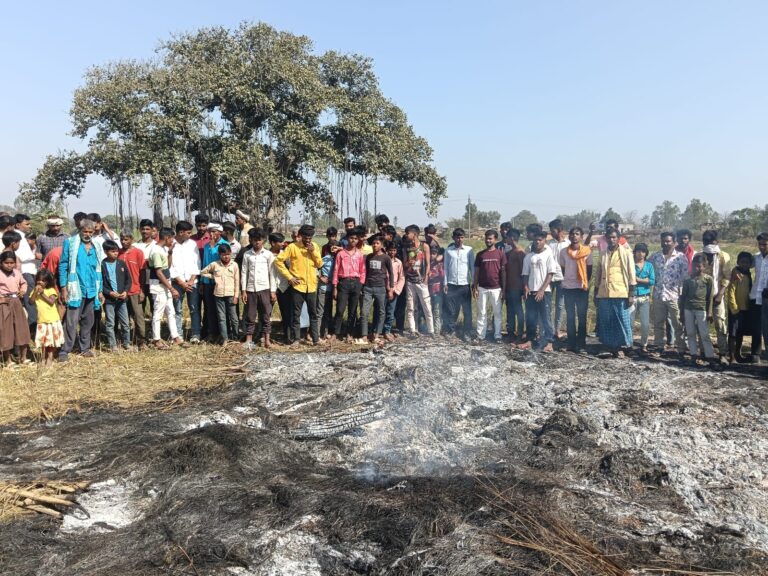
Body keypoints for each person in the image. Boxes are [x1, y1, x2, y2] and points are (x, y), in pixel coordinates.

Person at [58, 220, 104, 361]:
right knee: (71, 322)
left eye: (90, 232)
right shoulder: (70, 243)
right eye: (85, 231)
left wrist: (100, 290)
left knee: (88, 321)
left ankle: (85, 348)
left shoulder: (97, 245)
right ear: (80, 230)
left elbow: (99, 268)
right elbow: (63, 265)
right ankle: (64, 350)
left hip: (92, 289)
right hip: (75, 288)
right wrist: (64, 288)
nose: (87, 234)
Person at [274, 224, 323, 345]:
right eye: (306, 238)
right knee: (296, 314)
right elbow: (278, 261)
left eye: (310, 238)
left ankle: (315, 339)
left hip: (311, 286)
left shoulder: (315, 246)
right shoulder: (292, 247)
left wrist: (313, 252)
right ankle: (296, 339)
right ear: (300, 236)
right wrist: (290, 277)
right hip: (298, 286)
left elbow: (319, 264)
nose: (308, 240)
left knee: (313, 314)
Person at [593, 229, 637, 357]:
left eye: (614, 237)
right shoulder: (603, 254)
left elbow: (631, 273)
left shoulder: (626, 253)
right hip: (604, 292)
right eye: (609, 238)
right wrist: (596, 292)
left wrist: (631, 294)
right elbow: (598, 273)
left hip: (621, 291)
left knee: (622, 319)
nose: (611, 240)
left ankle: (625, 346)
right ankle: (609, 346)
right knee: (606, 320)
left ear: (618, 238)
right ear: (606, 239)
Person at [648, 232, 688, 355]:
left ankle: (681, 348)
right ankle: (659, 346)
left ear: (674, 242)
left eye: (668, 241)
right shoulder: (655, 257)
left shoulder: (680, 257)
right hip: (658, 295)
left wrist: (683, 296)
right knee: (658, 323)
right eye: (663, 241)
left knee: (677, 323)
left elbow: (685, 277)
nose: (665, 243)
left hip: (674, 296)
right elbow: (648, 269)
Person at [519, 231, 558, 351]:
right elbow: (525, 274)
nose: (537, 242)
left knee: (546, 317)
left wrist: (542, 290)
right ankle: (530, 340)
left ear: (544, 241)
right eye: (535, 240)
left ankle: (549, 342)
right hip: (531, 291)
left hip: (544, 292)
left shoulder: (548, 255)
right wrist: (526, 287)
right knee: (530, 317)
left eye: (540, 240)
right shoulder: (528, 257)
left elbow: (550, 274)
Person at [148, 227, 185, 349]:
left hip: (165, 284)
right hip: (158, 285)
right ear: (167, 237)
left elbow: (167, 267)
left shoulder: (163, 249)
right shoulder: (156, 251)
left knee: (171, 311)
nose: (173, 241)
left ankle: (175, 337)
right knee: (158, 313)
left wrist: (170, 252)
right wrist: (171, 288)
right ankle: (156, 339)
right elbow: (159, 273)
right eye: (172, 238)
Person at [558, 227, 593, 352]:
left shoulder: (587, 251)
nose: (574, 236)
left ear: (582, 236)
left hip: (582, 288)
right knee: (570, 316)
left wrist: (583, 282)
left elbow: (589, 271)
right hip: (568, 287)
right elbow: (562, 269)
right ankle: (571, 343)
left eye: (577, 234)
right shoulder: (563, 252)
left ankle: (581, 343)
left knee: (582, 316)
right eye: (572, 234)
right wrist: (567, 281)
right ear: (569, 236)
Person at [241, 228, 277, 349]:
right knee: (250, 316)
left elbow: (272, 273)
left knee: (266, 315)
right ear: (251, 240)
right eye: (254, 240)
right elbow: (244, 272)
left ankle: (267, 340)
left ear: (263, 240)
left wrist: (273, 291)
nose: (257, 242)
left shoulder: (268, 254)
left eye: (259, 240)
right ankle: (249, 341)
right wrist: (243, 290)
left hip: (265, 288)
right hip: (251, 289)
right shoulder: (247, 254)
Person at [700, 230, 731, 363]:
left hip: (718, 295)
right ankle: (704, 352)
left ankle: (722, 353)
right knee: (702, 324)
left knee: (720, 323)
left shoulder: (723, 256)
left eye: (710, 241)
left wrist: (720, 294)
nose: (708, 244)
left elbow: (727, 276)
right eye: (705, 241)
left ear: (716, 242)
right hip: (702, 296)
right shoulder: (700, 256)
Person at [201, 243, 240, 345]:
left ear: (230, 253)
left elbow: (237, 282)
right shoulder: (215, 264)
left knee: (234, 318)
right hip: (218, 295)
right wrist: (213, 277)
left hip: (231, 295)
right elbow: (203, 272)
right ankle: (225, 339)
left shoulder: (234, 265)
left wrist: (236, 296)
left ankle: (235, 338)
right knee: (221, 318)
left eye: (228, 254)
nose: (226, 257)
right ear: (219, 255)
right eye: (223, 255)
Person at [680, 254, 716, 363]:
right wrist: (681, 313)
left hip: (701, 309)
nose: (696, 268)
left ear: (704, 266)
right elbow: (683, 297)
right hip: (688, 309)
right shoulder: (688, 280)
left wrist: (709, 312)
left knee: (704, 334)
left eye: (699, 266)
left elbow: (710, 297)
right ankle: (693, 354)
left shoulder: (708, 279)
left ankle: (710, 356)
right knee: (690, 332)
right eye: (694, 266)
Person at [169, 220, 201, 342]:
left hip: (192, 282)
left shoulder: (192, 244)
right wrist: (181, 282)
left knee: (194, 308)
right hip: (177, 283)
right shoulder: (171, 244)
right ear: (180, 232)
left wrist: (192, 280)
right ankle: (178, 335)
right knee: (177, 309)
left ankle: (195, 334)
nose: (190, 234)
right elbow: (169, 266)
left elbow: (197, 262)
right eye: (188, 232)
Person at [473, 230, 506, 342]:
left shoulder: (500, 254)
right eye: (486, 238)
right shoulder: (480, 254)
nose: (488, 240)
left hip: (496, 288)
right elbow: (476, 272)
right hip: (482, 288)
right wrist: (475, 287)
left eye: (490, 238)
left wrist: (503, 289)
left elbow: (503, 272)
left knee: (497, 313)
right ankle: (480, 336)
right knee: (481, 313)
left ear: (495, 239)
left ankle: (498, 336)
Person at [333, 229, 366, 342]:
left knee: (353, 310)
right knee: (340, 309)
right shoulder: (341, 254)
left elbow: (363, 270)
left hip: (356, 283)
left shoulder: (359, 254)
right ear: (347, 239)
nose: (353, 240)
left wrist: (360, 284)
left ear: (358, 240)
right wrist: (335, 287)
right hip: (344, 283)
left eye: (356, 238)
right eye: (351, 238)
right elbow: (336, 270)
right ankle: (336, 333)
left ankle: (349, 333)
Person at [360, 235, 394, 344]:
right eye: (373, 243)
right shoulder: (369, 257)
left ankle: (377, 334)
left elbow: (391, 273)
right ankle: (364, 335)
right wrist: (363, 285)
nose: (375, 245)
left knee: (381, 312)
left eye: (377, 243)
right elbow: (365, 271)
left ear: (382, 245)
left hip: (380, 288)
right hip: (368, 288)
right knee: (364, 312)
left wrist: (390, 289)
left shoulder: (386, 258)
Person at [101, 240, 133, 352]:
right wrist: (109, 292)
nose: (116, 253)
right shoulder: (102, 265)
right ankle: (113, 345)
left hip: (121, 299)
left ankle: (127, 343)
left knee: (125, 323)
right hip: (109, 300)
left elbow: (128, 280)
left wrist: (125, 291)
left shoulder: (121, 263)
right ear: (106, 252)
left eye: (116, 251)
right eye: (113, 251)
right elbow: (100, 283)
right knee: (110, 323)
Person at [402, 224, 434, 337]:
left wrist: (426, 278)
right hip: (410, 281)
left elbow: (428, 264)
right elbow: (404, 264)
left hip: (421, 281)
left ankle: (431, 330)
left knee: (427, 306)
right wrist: (408, 263)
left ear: (414, 234)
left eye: (408, 233)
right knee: (411, 307)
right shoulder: (406, 248)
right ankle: (412, 330)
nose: (406, 235)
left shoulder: (424, 246)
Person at [0, 251, 30, 367]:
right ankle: (8, 361)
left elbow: (24, 283)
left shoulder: (17, 273)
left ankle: (23, 358)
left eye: (12, 263)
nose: (9, 265)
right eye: (6, 263)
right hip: (4, 304)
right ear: (1, 263)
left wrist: (22, 291)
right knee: (6, 331)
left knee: (22, 328)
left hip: (16, 302)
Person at [443, 228, 474, 340]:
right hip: (451, 285)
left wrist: (474, 283)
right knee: (451, 310)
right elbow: (445, 268)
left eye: (461, 237)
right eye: (457, 237)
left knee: (467, 310)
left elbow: (472, 268)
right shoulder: (448, 251)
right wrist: (445, 283)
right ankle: (450, 330)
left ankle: (467, 332)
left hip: (464, 285)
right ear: (453, 238)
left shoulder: (469, 250)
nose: (460, 239)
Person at [118, 231, 148, 348]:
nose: (123, 242)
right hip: (121, 291)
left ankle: (141, 341)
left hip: (135, 289)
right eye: (121, 239)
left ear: (132, 239)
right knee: (123, 317)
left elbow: (143, 272)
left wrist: (142, 290)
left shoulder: (138, 253)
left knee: (138, 316)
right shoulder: (118, 253)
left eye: (126, 239)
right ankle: (126, 340)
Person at [31, 268, 63, 367]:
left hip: (52, 320)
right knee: (43, 342)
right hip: (42, 320)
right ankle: (43, 358)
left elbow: (51, 302)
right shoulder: (35, 290)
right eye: (39, 280)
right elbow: (31, 302)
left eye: (43, 280)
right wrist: (35, 292)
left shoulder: (51, 290)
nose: (40, 282)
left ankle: (50, 357)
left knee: (51, 342)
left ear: (48, 281)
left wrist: (42, 293)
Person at [200, 222, 226, 341]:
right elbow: (205, 264)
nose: (211, 234)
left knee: (220, 310)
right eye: (210, 231)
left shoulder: (224, 245)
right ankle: (211, 333)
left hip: (219, 281)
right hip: (207, 281)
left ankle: (222, 334)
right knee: (209, 309)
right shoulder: (206, 246)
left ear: (220, 232)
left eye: (214, 231)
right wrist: (202, 281)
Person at [726, 251, 754, 364]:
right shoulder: (736, 275)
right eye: (742, 262)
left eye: (747, 262)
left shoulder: (748, 275)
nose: (745, 264)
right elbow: (730, 292)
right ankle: (732, 356)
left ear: (750, 264)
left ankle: (738, 354)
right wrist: (734, 308)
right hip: (736, 310)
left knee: (740, 333)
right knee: (733, 334)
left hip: (745, 309)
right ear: (738, 262)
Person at [269, 232, 293, 343]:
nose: (283, 244)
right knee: (267, 313)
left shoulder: (285, 254)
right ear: (273, 243)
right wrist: (272, 290)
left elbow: (290, 268)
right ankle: (265, 337)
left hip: (285, 287)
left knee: (287, 313)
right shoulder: (266, 255)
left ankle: (288, 337)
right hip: (270, 287)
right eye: (280, 242)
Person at [631, 243, 655, 353]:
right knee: (630, 322)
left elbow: (652, 281)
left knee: (645, 324)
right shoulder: (631, 264)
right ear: (635, 252)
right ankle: (629, 343)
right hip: (632, 296)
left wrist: (638, 279)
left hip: (645, 297)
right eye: (638, 251)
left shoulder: (649, 265)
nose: (640, 254)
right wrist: (644, 280)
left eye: (643, 251)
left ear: (646, 253)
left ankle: (644, 344)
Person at [504, 228, 526, 342]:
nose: (506, 240)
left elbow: (523, 271)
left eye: (507, 237)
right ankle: (511, 333)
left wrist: (524, 287)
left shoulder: (520, 252)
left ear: (512, 238)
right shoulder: (510, 252)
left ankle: (520, 334)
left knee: (518, 311)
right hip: (509, 286)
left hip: (517, 287)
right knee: (510, 311)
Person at [548, 219, 569, 339]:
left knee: (560, 305)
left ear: (559, 230)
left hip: (562, 278)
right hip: (549, 278)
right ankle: (549, 329)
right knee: (548, 305)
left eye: (553, 230)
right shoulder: (548, 244)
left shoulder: (568, 244)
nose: (551, 233)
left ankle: (557, 330)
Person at [750, 233, 768, 362]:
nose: (761, 247)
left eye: (764, 244)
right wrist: (736, 271)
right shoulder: (756, 258)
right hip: (756, 296)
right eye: (760, 244)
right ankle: (756, 353)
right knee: (756, 326)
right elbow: (743, 264)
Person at [382, 241, 404, 341]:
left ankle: (387, 331)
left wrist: (396, 290)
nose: (392, 252)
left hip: (394, 290)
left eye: (394, 250)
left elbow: (401, 277)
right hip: (382, 289)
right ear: (387, 250)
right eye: (390, 250)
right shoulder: (383, 260)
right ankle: (378, 330)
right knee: (381, 311)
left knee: (390, 312)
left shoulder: (398, 262)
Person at [317, 239, 337, 339]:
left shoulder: (339, 259)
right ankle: (317, 334)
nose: (333, 248)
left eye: (335, 246)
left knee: (328, 312)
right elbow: (315, 268)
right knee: (320, 311)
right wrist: (320, 277)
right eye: (331, 245)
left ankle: (324, 333)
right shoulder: (325, 259)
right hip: (323, 288)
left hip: (332, 289)